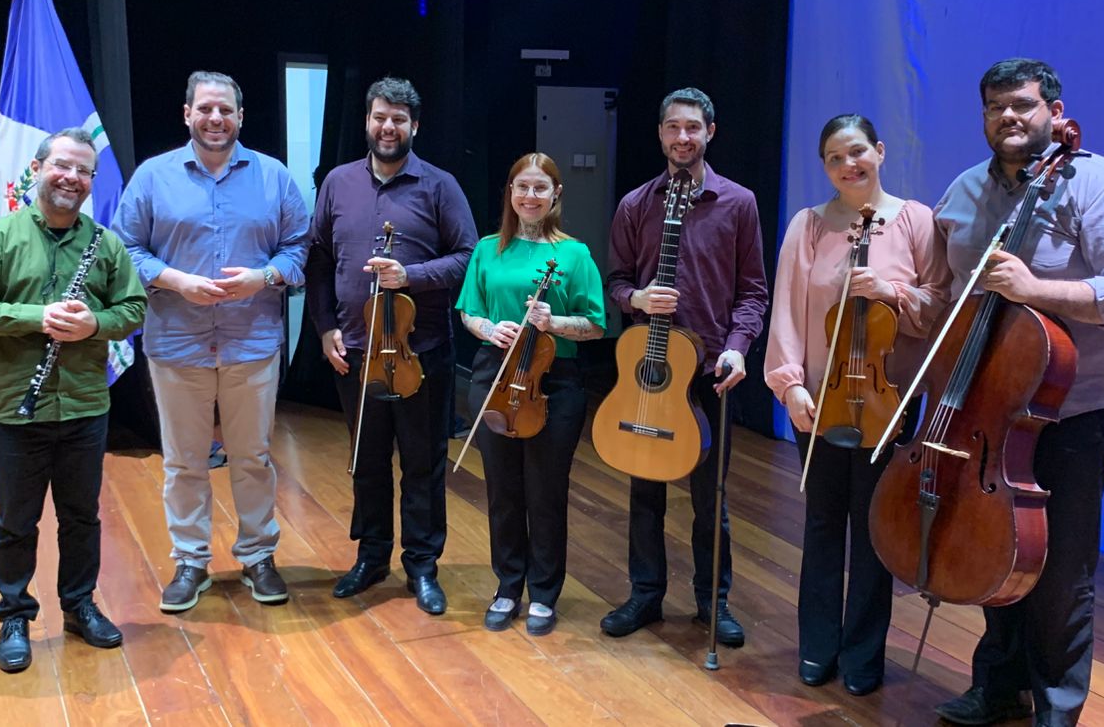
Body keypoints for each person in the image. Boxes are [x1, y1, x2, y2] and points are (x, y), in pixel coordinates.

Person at [931, 59, 1104, 726]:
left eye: (1022, 105)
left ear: (1055, 112)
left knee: (1060, 572)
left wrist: (1037, 291)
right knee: (992, 550)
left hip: (1067, 415)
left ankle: (1056, 707)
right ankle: (997, 685)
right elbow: (950, 296)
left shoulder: (1102, 185)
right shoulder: (963, 192)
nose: (1008, 116)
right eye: (994, 107)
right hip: (982, 408)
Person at [0, 127, 147, 674]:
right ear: (36, 169)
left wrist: (93, 324)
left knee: (82, 516)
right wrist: (37, 317)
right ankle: (15, 616)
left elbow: (133, 309)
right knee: (17, 519)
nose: (72, 178)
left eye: (84, 171)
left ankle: (80, 606)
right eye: (62, 165)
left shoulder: (105, 244)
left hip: (85, 406)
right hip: (18, 405)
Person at [763, 114, 950, 696]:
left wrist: (891, 291)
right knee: (822, 522)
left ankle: (864, 654)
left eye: (857, 152)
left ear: (880, 151)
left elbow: (940, 305)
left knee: (875, 528)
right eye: (835, 158)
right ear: (825, 167)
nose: (849, 165)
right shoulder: (809, 225)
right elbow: (787, 309)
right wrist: (790, 385)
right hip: (820, 400)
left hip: (886, 402)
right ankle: (818, 646)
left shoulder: (916, 220)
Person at [113, 70, 310, 613]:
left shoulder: (274, 177)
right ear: (187, 114)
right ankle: (190, 561)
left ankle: (258, 556)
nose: (215, 118)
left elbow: (299, 248)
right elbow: (124, 248)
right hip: (177, 342)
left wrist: (263, 278)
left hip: (252, 343)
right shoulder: (153, 177)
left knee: (253, 457)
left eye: (225, 109)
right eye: (205, 109)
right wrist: (177, 280)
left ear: (240, 116)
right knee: (183, 462)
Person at [600, 86, 769, 647]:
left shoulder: (738, 203)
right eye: (673, 127)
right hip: (651, 367)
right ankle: (645, 594)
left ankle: (711, 602)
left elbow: (753, 291)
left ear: (710, 132)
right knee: (644, 491)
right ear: (659, 134)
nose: (682, 137)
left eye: (692, 127)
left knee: (709, 499)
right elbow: (615, 281)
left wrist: (739, 346)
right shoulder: (635, 204)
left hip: (711, 370)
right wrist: (636, 299)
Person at [303, 76, 478, 615]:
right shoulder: (337, 182)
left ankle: (422, 565)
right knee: (367, 460)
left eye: (399, 119)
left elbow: (468, 256)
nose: (388, 127)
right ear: (367, 120)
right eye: (380, 117)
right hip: (355, 351)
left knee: (423, 463)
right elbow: (318, 259)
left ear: (414, 126)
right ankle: (372, 555)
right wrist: (325, 327)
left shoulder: (440, 185)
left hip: (422, 352)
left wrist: (411, 276)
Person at [456, 153, 606, 636]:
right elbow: (469, 311)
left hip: (554, 381)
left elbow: (596, 325)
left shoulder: (575, 254)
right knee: (502, 489)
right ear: (511, 192)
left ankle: (543, 593)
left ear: (555, 194)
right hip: (495, 373)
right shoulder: (487, 249)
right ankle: (507, 586)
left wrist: (553, 321)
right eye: (522, 187)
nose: (530, 196)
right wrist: (489, 329)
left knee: (545, 491)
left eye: (541, 188)